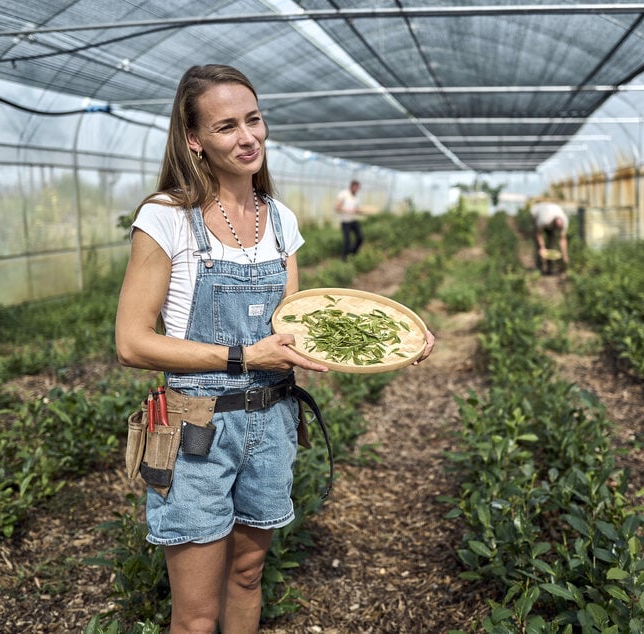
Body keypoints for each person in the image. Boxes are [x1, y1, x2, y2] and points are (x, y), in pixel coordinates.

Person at [115, 64, 434, 634]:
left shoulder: (281, 222)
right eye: (226, 126)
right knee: (193, 615)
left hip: (272, 423)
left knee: (247, 575)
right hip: (197, 431)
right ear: (194, 141)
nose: (247, 137)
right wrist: (241, 358)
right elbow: (132, 343)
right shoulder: (167, 219)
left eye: (254, 120)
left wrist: (398, 340)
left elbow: (296, 334)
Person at [529, 199, 570, 275]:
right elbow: (538, 234)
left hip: (551, 211)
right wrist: (542, 247)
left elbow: (562, 239)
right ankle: (539, 267)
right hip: (537, 214)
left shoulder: (564, 222)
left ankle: (550, 268)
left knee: (551, 243)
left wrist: (565, 255)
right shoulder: (544, 220)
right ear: (553, 223)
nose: (557, 230)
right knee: (539, 247)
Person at [335, 179, 363, 260]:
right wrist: (349, 210)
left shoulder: (356, 197)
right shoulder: (344, 194)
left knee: (360, 238)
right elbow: (337, 207)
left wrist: (358, 211)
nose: (356, 189)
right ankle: (344, 258)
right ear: (351, 186)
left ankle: (353, 253)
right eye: (355, 187)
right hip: (345, 221)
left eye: (358, 188)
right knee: (347, 241)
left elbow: (356, 209)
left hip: (353, 220)